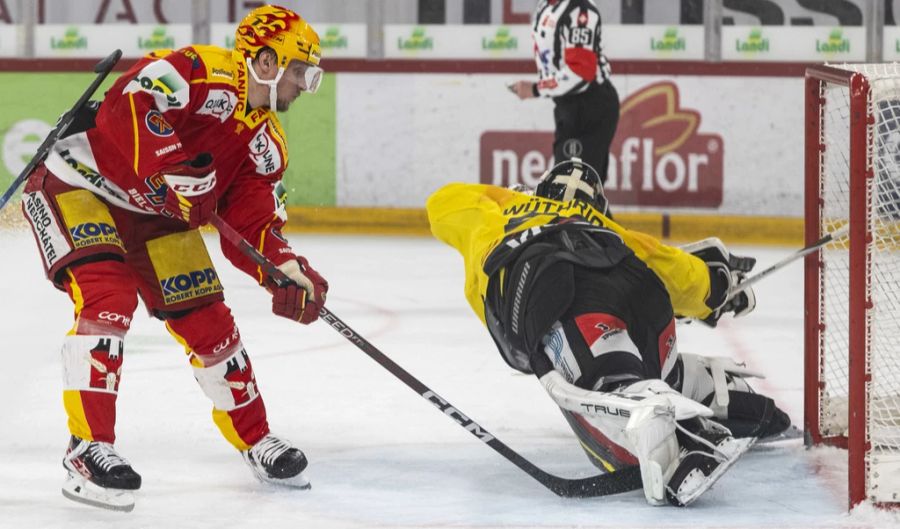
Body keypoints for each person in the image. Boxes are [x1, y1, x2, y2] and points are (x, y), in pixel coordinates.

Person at [20, 4, 328, 511]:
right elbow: (128, 101)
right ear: (267, 62)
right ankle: (87, 448)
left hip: (158, 218)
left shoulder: (266, 143)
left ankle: (256, 439)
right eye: (299, 71)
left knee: (212, 324)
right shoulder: (199, 71)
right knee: (108, 298)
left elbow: (252, 226)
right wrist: (173, 169)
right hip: (80, 184)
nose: (303, 85)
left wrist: (284, 270)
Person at [426, 158, 790, 507]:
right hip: (637, 283)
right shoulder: (611, 229)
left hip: (554, 282)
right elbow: (683, 276)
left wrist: (511, 197)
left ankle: (678, 443)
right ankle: (703, 387)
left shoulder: (499, 212)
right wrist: (718, 288)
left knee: (612, 378)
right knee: (650, 360)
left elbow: (441, 203)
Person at [509, 0, 619, 184]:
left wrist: (536, 89)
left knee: (574, 190)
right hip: (568, 106)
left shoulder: (580, 10)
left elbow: (581, 72)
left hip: (591, 108)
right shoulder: (546, 6)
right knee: (574, 192)